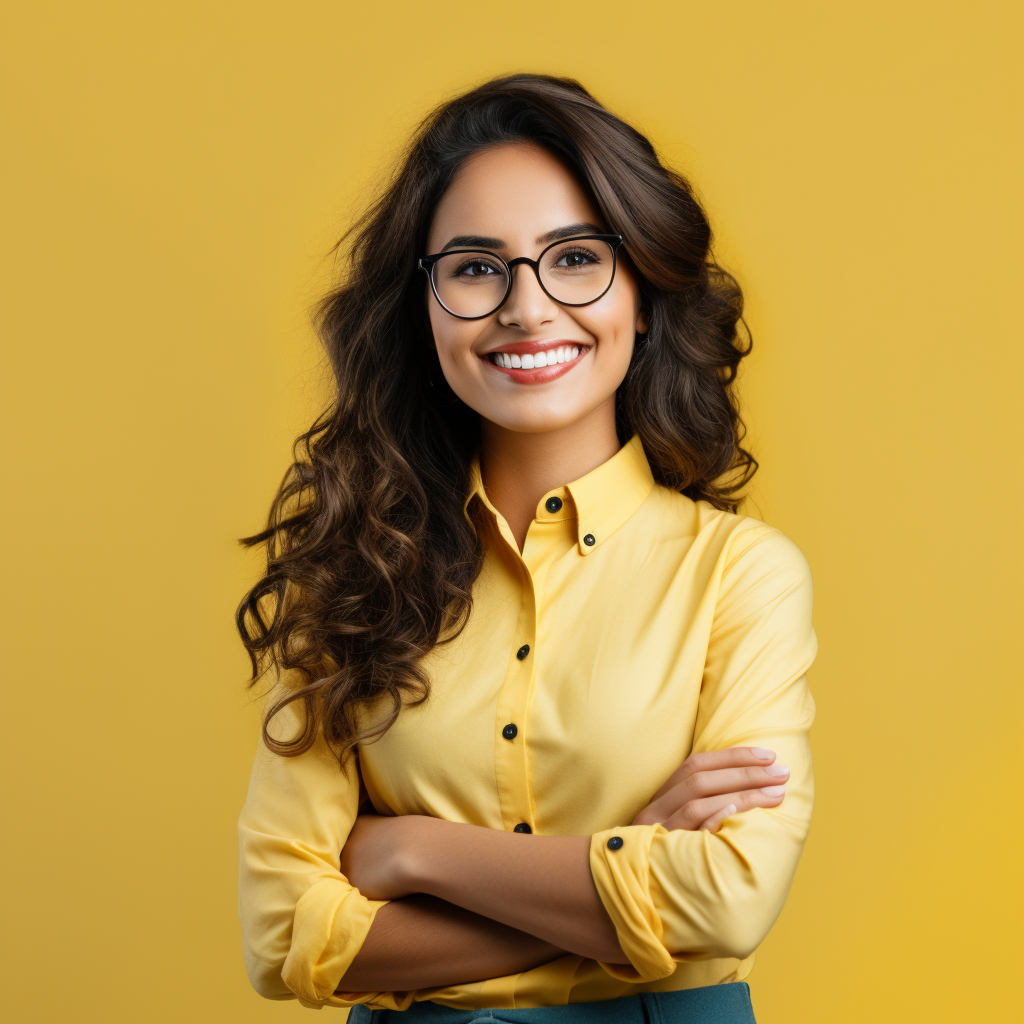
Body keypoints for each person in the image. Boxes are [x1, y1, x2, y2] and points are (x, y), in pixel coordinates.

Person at [236, 73, 816, 1024]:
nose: (527, 308)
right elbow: (281, 935)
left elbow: (728, 896)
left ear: (642, 290)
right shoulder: (350, 576)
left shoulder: (739, 575)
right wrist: (627, 863)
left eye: (575, 258)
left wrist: (416, 854)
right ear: (423, 310)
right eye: (474, 267)